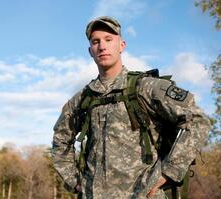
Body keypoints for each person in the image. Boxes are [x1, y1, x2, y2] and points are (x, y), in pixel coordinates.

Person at [51, 16, 211, 199]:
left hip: (143, 194)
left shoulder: (146, 87)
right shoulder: (82, 99)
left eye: (108, 39)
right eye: (96, 42)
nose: (102, 46)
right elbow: (60, 139)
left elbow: (198, 120)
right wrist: (75, 182)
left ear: (121, 45)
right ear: (90, 51)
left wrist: (170, 171)